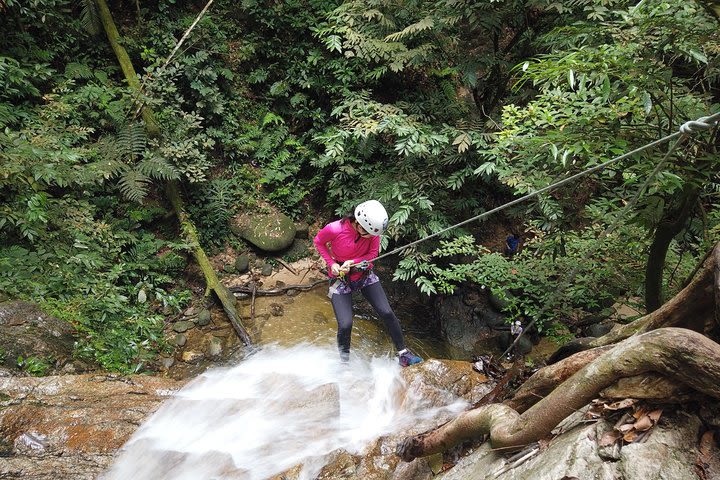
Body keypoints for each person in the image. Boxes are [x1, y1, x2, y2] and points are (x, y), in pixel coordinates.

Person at [313, 200, 423, 367]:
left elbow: (372, 254)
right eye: (369, 234)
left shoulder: (373, 232)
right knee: (345, 324)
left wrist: (354, 261)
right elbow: (319, 242)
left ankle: (403, 354)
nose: (372, 237)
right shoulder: (335, 229)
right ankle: (344, 364)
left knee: (386, 312)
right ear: (359, 224)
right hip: (340, 278)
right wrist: (332, 263)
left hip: (364, 275)